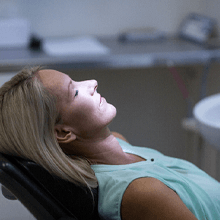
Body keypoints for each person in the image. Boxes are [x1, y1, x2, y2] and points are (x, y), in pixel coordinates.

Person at [0, 67, 219, 220]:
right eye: (75, 92)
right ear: (64, 132)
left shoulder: (120, 143)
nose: (92, 83)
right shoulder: (143, 192)